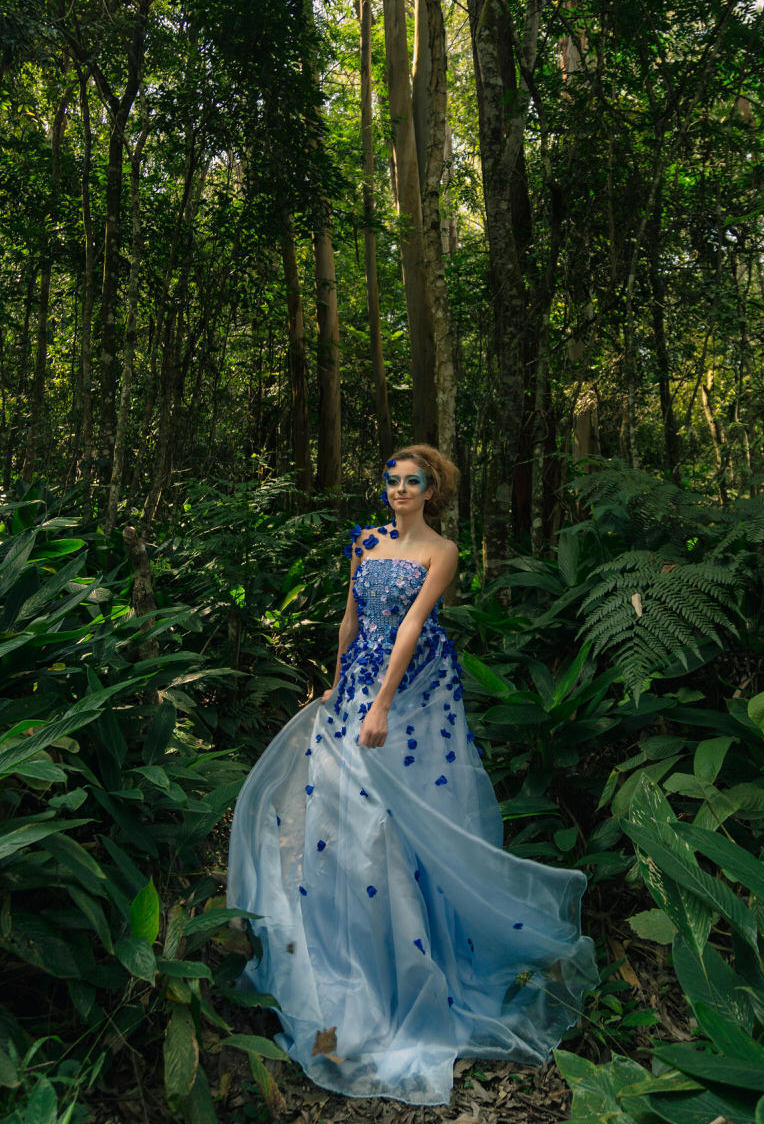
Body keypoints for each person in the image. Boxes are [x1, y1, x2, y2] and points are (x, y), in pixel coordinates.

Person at [226, 444, 597, 1105]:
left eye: (411, 482)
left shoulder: (442, 551)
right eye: (392, 480)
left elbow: (413, 626)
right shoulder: (364, 541)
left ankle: (413, 965)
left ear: (432, 490)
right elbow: (351, 619)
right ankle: (351, 958)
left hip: (416, 690)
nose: (398, 489)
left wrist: (382, 705)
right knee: (341, 812)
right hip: (357, 683)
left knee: (398, 819)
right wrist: (337, 686)